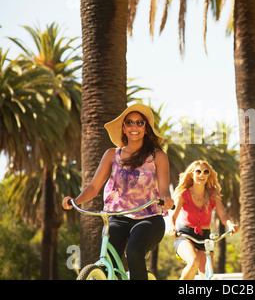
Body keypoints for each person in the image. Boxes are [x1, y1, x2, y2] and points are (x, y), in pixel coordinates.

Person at [62, 103, 174, 280]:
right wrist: (75, 200)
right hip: (117, 218)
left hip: (149, 219)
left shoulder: (157, 156)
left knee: (134, 251)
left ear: (146, 128)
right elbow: (93, 187)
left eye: (139, 123)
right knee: (108, 264)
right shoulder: (111, 155)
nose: (134, 127)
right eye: (129, 123)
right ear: (123, 127)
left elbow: (164, 189)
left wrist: (167, 199)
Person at [168, 160, 239, 280]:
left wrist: (231, 224)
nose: (202, 174)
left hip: (205, 237)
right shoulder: (184, 194)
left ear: (208, 175)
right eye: (198, 171)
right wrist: (172, 227)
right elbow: (172, 217)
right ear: (192, 174)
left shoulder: (213, 195)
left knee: (206, 276)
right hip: (185, 235)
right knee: (193, 262)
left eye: (205, 172)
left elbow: (223, 216)